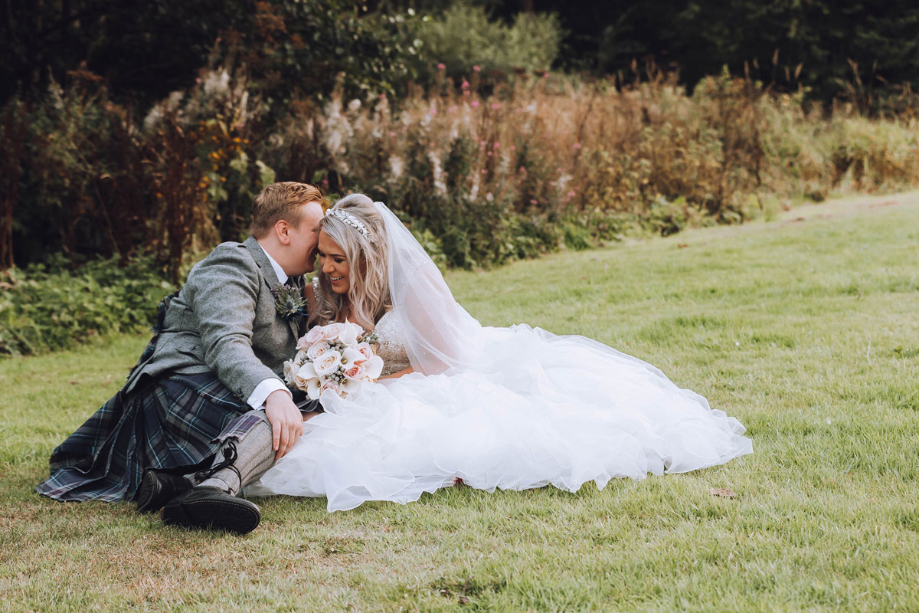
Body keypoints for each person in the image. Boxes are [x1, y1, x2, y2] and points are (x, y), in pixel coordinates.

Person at [246, 194, 753, 511]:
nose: (328, 269)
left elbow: (447, 363)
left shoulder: (414, 284)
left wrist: (367, 380)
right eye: (324, 257)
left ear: (367, 256)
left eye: (339, 260)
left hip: (441, 371)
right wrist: (330, 371)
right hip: (373, 383)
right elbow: (320, 344)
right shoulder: (322, 291)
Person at [36, 182, 325, 534]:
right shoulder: (233, 262)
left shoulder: (294, 281)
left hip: (222, 385)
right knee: (271, 410)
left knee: (304, 413)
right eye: (316, 230)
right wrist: (276, 394)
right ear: (284, 230)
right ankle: (213, 490)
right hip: (178, 386)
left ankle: (178, 485)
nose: (322, 242)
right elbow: (226, 342)